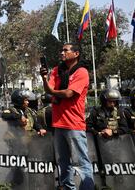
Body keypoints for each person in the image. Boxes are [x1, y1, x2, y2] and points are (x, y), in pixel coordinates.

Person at [40, 43, 94, 189]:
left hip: (74, 124)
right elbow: (48, 89)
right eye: (61, 50)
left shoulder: (81, 72)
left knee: (82, 162)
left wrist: (53, 92)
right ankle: (68, 187)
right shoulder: (57, 70)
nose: (62, 53)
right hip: (58, 123)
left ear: (76, 54)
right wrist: (45, 78)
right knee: (63, 162)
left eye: (66, 50)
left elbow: (69, 93)